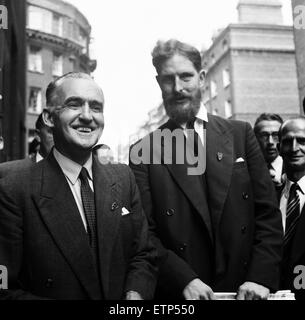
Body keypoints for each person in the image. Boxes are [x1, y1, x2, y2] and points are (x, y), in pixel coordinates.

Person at [129, 39, 283, 300]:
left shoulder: (240, 134)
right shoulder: (144, 151)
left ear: (201, 78)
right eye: (168, 79)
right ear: (159, 83)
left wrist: (259, 277)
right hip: (185, 294)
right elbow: (145, 233)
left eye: (186, 77)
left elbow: (267, 214)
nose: (178, 88)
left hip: (246, 291)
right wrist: (183, 279)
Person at [0, 72, 157, 300]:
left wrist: (135, 294)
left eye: (96, 107)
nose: (87, 116)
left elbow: (143, 253)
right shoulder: (14, 189)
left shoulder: (123, 178)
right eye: (74, 105)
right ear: (49, 118)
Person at [278, 117, 305, 300]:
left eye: (302, 141)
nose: (294, 148)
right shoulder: (267, 198)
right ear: (279, 148)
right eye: (288, 141)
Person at [0, 113, 54, 178]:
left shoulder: (68, 173)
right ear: (38, 135)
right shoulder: (9, 172)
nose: (60, 138)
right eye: (52, 132)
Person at [254, 113, 284, 187]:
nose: (270, 142)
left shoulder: (294, 167)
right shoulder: (248, 170)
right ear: (255, 138)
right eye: (264, 135)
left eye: (275, 135)